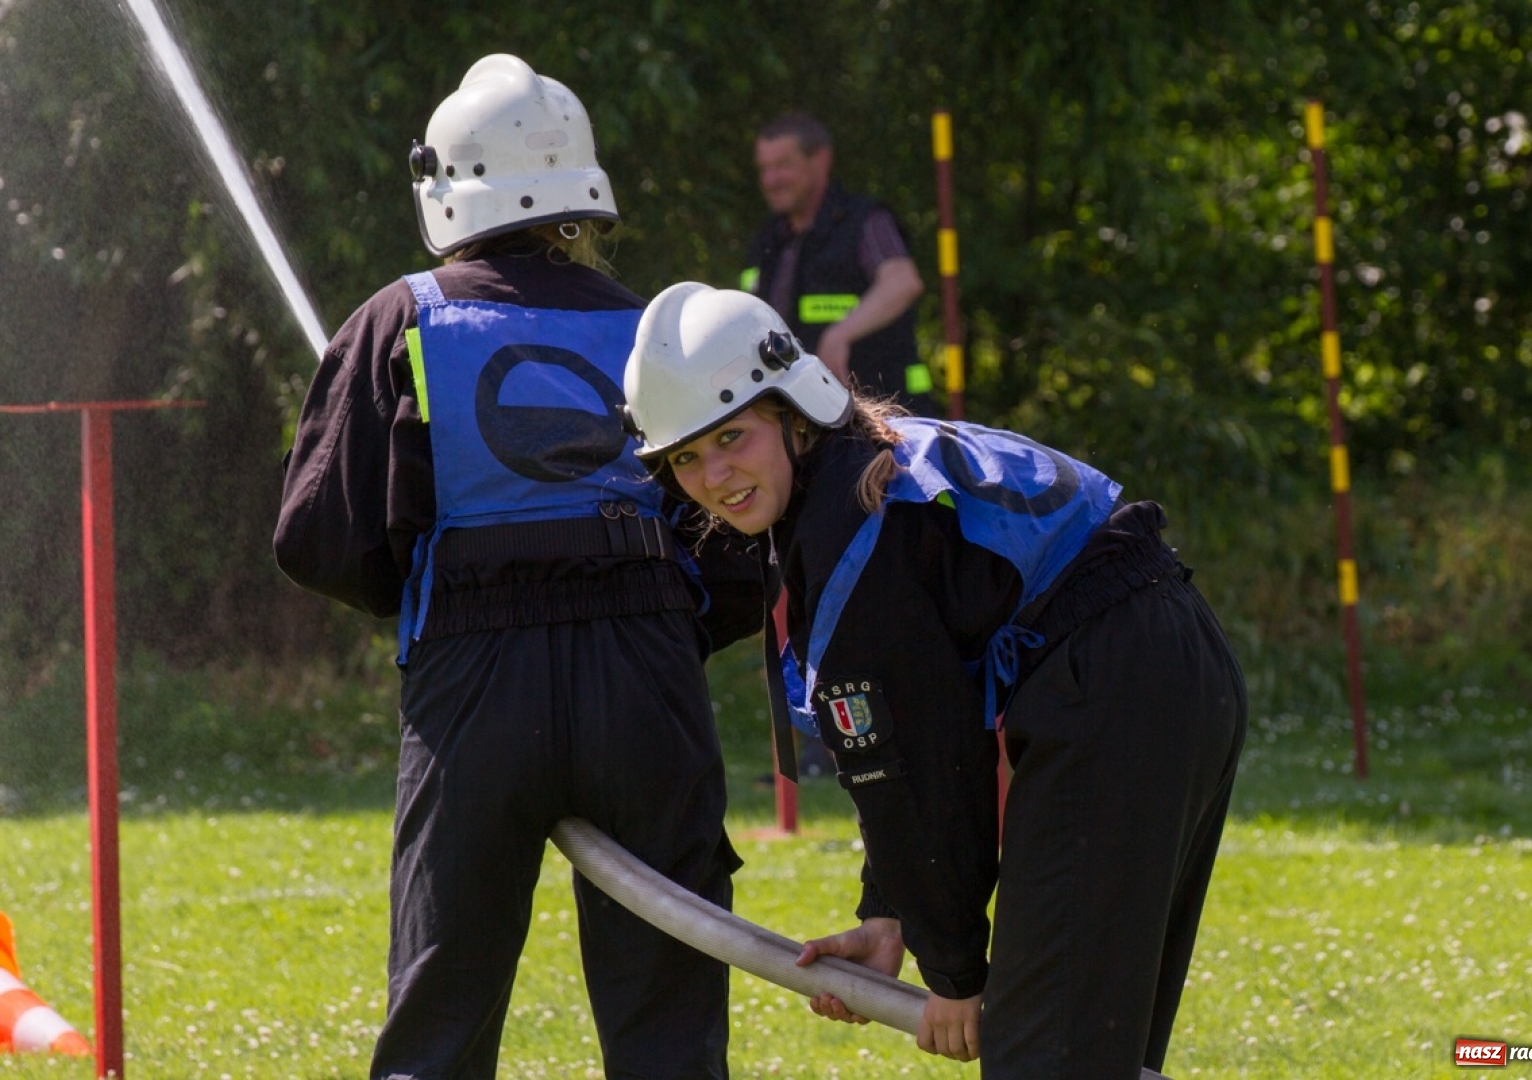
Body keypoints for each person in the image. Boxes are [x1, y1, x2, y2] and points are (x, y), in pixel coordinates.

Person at [620, 283, 1247, 1079]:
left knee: (1044, 1055)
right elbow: (921, 725)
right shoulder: (859, 468)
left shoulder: (853, 530)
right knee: (1091, 1043)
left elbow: (917, 772)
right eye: (684, 458)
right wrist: (887, 917)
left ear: (790, 411)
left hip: (1121, 688)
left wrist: (956, 974)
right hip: (1168, 663)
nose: (713, 477)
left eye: (732, 438)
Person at [274, 57, 756, 1080]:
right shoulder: (657, 330)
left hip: (472, 690)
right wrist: (662, 623)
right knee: (670, 1025)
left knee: (440, 1023)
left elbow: (315, 537)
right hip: (646, 686)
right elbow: (743, 535)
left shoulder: (399, 318)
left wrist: (431, 600)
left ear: (442, 184)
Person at [743, 112, 934, 415]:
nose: (770, 180)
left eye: (783, 166)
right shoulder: (769, 239)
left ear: (820, 160)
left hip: (883, 416)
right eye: (764, 169)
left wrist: (839, 335)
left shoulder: (864, 221)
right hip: (804, 416)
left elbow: (902, 282)